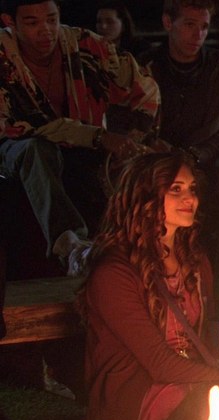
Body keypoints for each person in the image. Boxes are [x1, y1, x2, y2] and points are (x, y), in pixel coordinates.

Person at [78, 151, 219, 420]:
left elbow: (198, 340)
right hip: (142, 399)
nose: (190, 198)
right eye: (176, 189)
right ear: (145, 196)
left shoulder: (194, 259)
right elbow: (159, 363)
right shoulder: (114, 274)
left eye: (192, 188)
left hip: (192, 384)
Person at [0, 0, 159, 276]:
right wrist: (100, 137)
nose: (46, 30)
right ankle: (70, 245)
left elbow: (144, 86)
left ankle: (146, 256)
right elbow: (26, 127)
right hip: (13, 146)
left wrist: (132, 137)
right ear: (10, 22)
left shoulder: (83, 44)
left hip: (82, 146)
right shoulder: (4, 56)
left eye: (52, 19)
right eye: (32, 22)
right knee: (36, 150)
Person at [138, 0, 219, 324]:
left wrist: (196, 155)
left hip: (209, 162)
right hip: (160, 164)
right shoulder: (146, 69)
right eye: (189, 25)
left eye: (204, 27)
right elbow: (133, 124)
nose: (197, 34)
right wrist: (163, 153)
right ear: (168, 22)